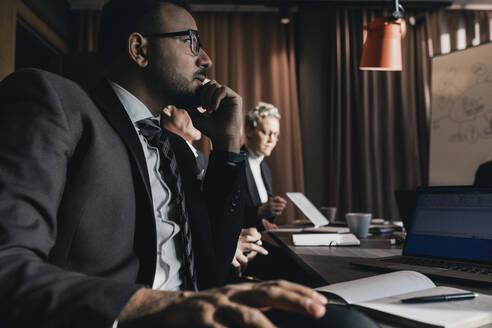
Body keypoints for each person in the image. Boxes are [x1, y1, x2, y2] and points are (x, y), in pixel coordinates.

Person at [0, 0, 329, 327]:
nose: (206, 58)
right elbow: (8, 264)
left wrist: (227, 146)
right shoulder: (57, 103)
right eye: (191, 41)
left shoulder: (176, 150)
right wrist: (154, 306)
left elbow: (215, 263)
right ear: (139, 49)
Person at [162, 105, 269, 270]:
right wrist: (228, 245)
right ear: (168, 108)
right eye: (196, 106)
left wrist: (236, 235)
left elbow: (208, 216)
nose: (204, 114)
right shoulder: (161, 157)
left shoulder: (203, 160)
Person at [243, 102, 288, 230]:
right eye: (266, 133)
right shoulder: (234, 164)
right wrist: (259, 212)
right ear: (248, 130)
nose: (271, 140)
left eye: (276, 135)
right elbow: (222, 213)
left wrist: (269, 213)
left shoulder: (265, 168)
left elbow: (260, 216)